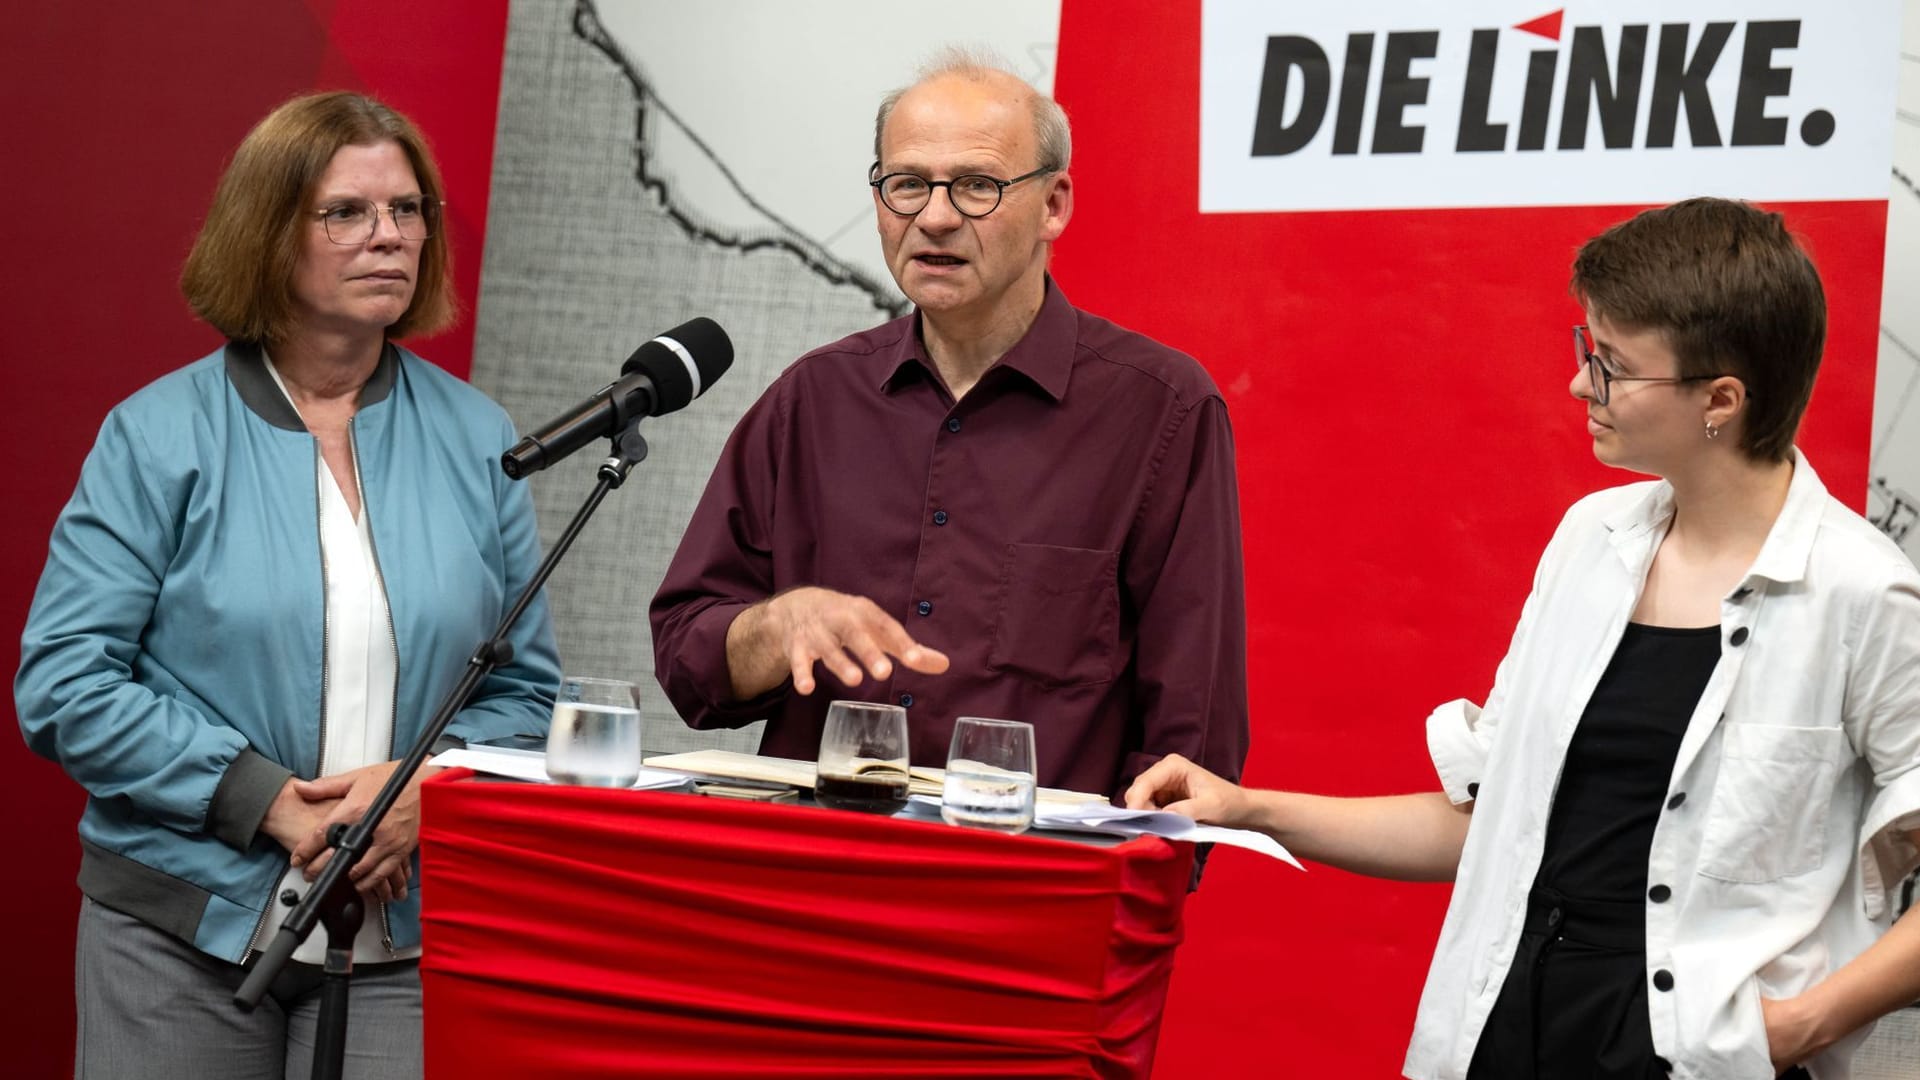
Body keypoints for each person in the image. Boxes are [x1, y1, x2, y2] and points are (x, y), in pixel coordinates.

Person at [1127, 198, 1920, 1079]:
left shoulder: (1862, 592)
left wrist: (1796, 1028)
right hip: (1511, 1031)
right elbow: (1489, 822)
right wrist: (1248, 809)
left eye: (1611, 364)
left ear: (1720, 400)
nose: (1583, 384)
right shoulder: (1593, 539)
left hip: (1702, 1056)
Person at [14, 92, 561, 1080]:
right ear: (269, 234)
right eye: (344, 212)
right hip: (178, 938)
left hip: (399, 938)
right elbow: (65, 684)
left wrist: (422, 796)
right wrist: (268, 801)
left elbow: (526, 696)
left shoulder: (481, 438)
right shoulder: (158, 435)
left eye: (408, 209)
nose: (387, 235)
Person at [649, 50, 1249, 798]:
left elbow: (1192, 735)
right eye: (906, 185)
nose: (933, 217)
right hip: (814, 871)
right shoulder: (812, 400)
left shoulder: (1160, 409)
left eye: (976, 186)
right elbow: (686, 657)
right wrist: (776, 628)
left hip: (1023, 887)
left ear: (1054, 206)